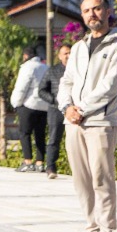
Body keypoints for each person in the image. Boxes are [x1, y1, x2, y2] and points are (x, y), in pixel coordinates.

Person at [58, 0, 117, 232]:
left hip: (100, 121)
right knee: (81, 179)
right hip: (73, 122)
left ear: (107, 11)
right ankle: (91, 229)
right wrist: (67, 108)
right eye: (86, 11)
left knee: (101, 178)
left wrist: (82, 108)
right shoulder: (78, 48)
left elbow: (111, 85)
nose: (91, 14)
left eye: (96, 9)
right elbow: (67, 82)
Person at [9, 46, 51, 172]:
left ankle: (27, 161)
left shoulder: (27, 67)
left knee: (25, 133)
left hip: (29, 105)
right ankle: (40, 162)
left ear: (25, 56)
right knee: (40, 134)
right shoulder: (46, 67)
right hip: (44, 106)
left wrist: (16, 103)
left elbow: (22, 87)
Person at [44, 43, 70, 180]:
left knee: (75, 140)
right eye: (65, 53)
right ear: (60, 56)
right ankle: (50, 167)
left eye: (70, 52)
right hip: (56, 110)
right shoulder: (52, 71)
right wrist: (54, 100)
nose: (68, 55)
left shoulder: (78, 69)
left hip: (74, 109)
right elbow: (41, 90)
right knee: (54, 138)